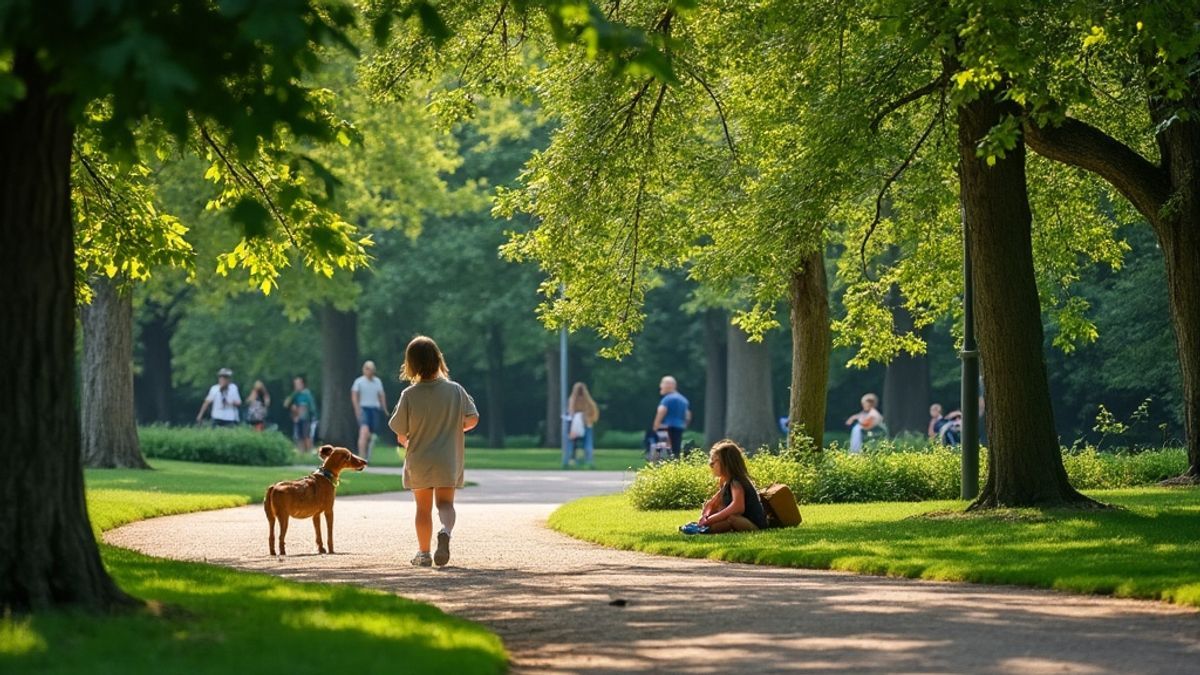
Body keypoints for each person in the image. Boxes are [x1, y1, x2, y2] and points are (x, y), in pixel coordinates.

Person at [389, 336, 478, 568]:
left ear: (410, 364)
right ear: (439, 359)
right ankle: (445, 531)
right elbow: (473, 418)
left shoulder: (409, 395)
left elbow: (400, 433)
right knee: (445, 504)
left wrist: (408, 442)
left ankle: (424, 553)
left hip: (420, 459)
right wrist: (455, 428)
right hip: (448, 458)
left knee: (422, 508)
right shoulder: (455, 390)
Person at [691, 440, 768, 533]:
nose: (711, 466)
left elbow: (738, 507)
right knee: (720, 512)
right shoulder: (726, 482)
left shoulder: (736, 482)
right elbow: (712, 503)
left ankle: (707, 530)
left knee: (731, 518)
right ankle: (707, 529)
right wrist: (705, 516)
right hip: (742, 521)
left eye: (713, 463)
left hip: (753, 525)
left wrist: (710, 519)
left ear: (725, 463)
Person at [351, 360, 388, 462]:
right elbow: (354, 396)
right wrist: (357, 409)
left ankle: (368, 456)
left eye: (371, 369)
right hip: (364, 408)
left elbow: (381, 395)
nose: (369, 371)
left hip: (374, 409)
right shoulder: (359, 382)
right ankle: (361, 457)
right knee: (364, 432)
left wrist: (384, 408)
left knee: (371, 435)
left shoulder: (377, 382)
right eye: (367, 369)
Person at [651, 375, 691, 460]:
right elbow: (688, 415)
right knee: (676, 448)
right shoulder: (684, 400)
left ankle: (658, 466)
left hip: (665, 427)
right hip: (679, 427)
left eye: (662, 383)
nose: (660, 386)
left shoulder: (667, 399)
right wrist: (684, 425)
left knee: (661, 448)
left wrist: (656, 425)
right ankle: (675, 466)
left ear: (669, 385)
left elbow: (661, 411)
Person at [565, 382, 600, 469]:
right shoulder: (588, 401)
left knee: (571, 443)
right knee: (588, 443)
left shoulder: (573, 400)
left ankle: (570, 459)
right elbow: (594, 411)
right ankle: (589, 460)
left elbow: (570, 412)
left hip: (575, 425)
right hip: (586, 424)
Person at [284, 376, 318, 453]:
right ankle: (301, 452)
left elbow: (312, 407)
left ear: (302, 384)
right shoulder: (295, 395)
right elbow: (286, 404)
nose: (297, 386)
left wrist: (313, 416)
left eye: (298, 384)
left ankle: (309, 452)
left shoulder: (307, 394)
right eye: (295, 384)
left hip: (306, 418)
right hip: (297, 417)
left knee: (306, 435)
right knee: (299, 437)